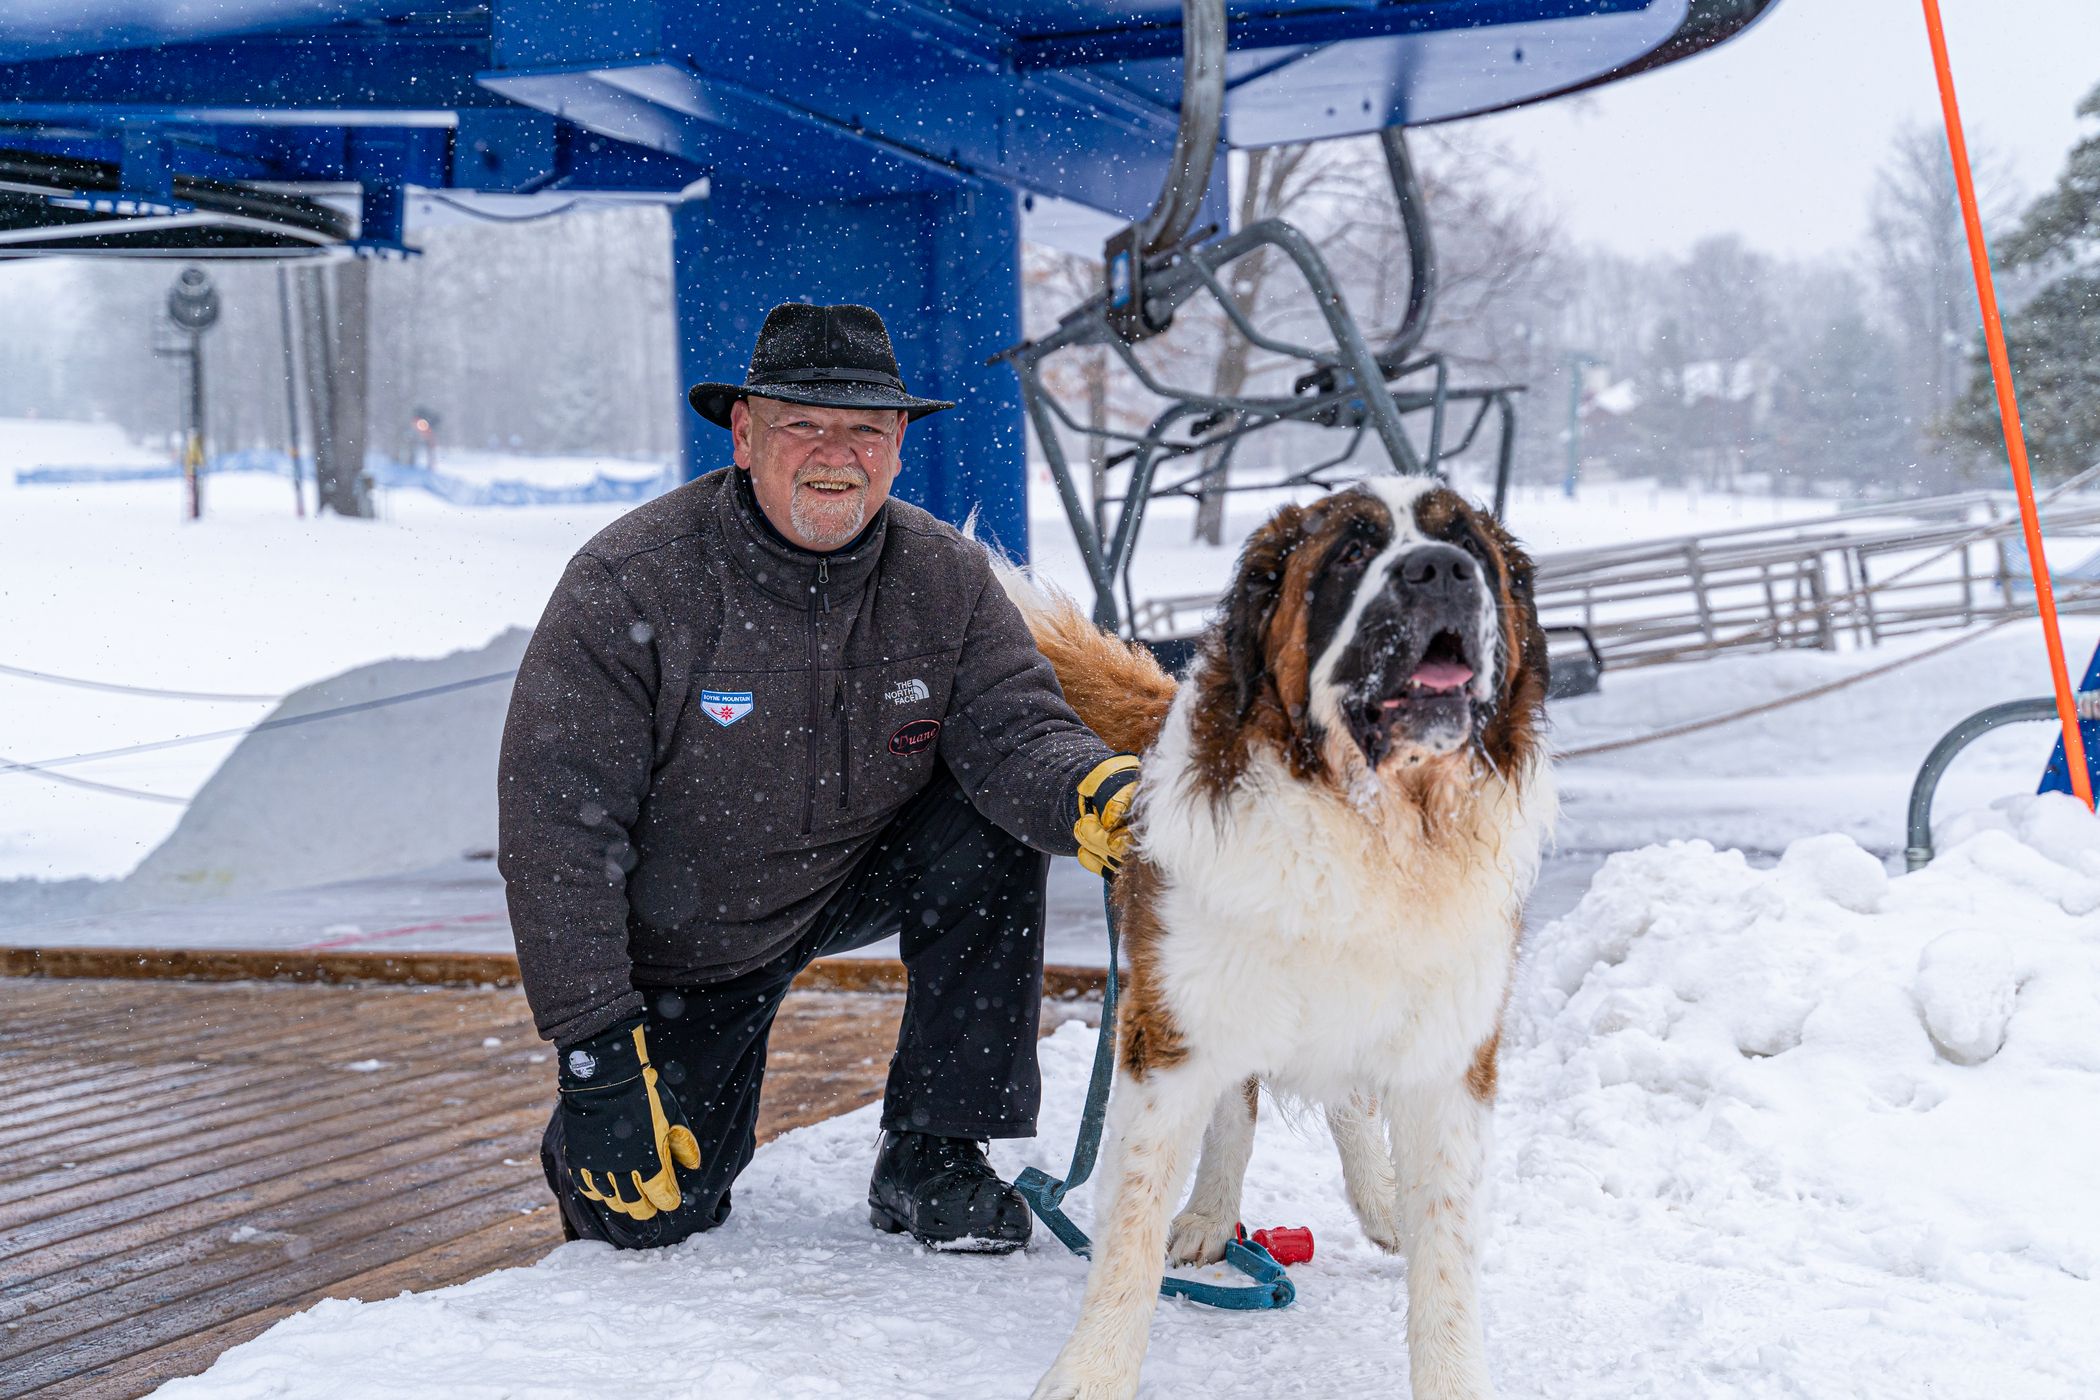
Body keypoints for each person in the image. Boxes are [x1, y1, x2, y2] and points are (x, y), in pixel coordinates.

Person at [498, 302, 1138, 1254]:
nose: (836, 451)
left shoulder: (948, 579)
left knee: (995, 818)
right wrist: (595, 1061)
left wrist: (1099, 791)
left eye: (866, 429)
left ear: (898, 446)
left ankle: (937, 1150)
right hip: (693, 942)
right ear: (745, 433)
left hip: (857, 872)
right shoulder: (630, 583)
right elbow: (558, 835)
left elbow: (1018, 732)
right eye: (804, 423)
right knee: (642, 1213)